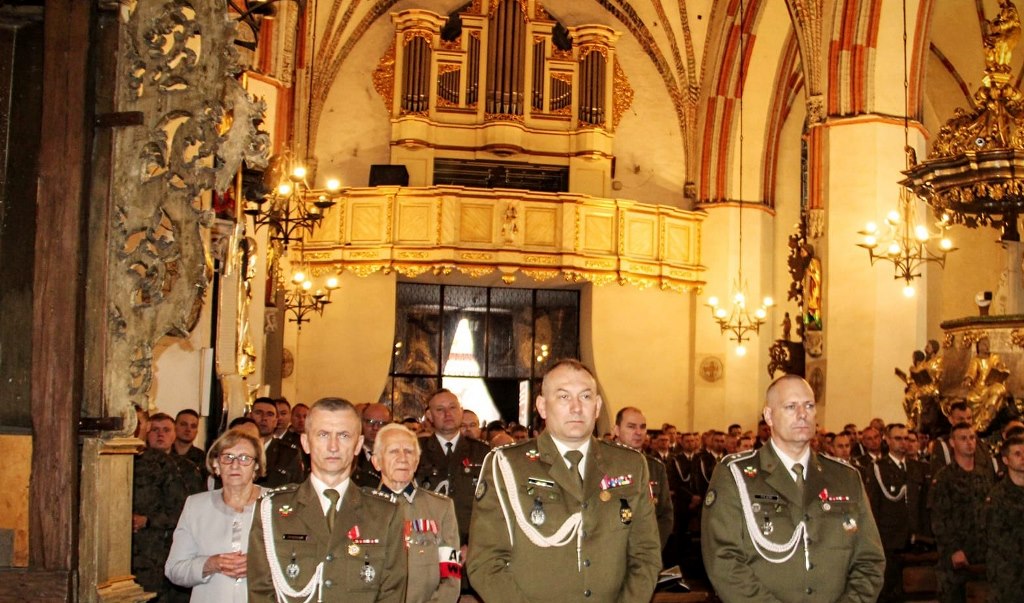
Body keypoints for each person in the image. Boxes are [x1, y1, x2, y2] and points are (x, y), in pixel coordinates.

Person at [468, 359, 661, 601]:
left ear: (597, 407)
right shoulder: (507, 465)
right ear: (542, 406)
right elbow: (485, 562)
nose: (576, 407)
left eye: (586, 397)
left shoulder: (629, 464)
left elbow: (645, 554)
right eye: (563, 397)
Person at [701, 374, 884, 601]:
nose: (802, 414)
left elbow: (869, 559)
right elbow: (724, 559)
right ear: (769, 416)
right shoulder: (736, 475)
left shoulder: (845, 477)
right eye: (790, 406)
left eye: (809, 406)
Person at [247, 397, 406, 602]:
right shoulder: (271, 510)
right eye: (323, 435)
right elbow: (260, 591)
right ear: (306, 442)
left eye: (343, 435)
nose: (333, 446)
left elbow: (392, 592)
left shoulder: (385, 514)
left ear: (358, 444)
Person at [165, 428, 269, 602]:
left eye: (244, 458)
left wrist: (259, 566)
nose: (235, 465)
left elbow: (298, 565)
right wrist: (210, 564)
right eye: (227, 457)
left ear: (256, 466)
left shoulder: (276, 504)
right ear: (216, 465)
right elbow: (174, 570)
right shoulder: (196, 506)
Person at [371, 424, 461, 603]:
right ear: (376, 462)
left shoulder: (441, 508)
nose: (403, 458)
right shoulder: (361, 508)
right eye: (393, 451)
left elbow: (451, 576)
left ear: (417, 461)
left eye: (409, 452)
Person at [928, 422, 996, 603]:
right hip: (955, 558)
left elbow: (990, 513)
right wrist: (954, 550)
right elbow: (939, 519)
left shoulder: (984, 475)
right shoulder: (944, 477)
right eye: (963, 438)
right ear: (952, 442)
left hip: (982, 554)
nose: (969, 442)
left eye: (972, 438)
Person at [865, 423, 929, 602]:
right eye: (898, 438)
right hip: (889, 539)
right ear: (887, 440)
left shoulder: (918, 468)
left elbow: (922, 504)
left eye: (906, 438)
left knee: (916, 591)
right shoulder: (879, 468)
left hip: (914, 541)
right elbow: (874, 505)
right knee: (889, 591)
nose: (903, 443)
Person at [133, 413, 191, 601]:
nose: (159, 434)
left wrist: (148, 521)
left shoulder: (163, 463)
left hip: (154, 553)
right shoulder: (117, 459)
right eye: (155, 430)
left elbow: (181, 510)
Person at [613, 406, 674, 552]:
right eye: (631, 427)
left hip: (646, 550)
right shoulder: (603, 465)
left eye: (642, 427)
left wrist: (651, 547)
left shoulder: (656, 467)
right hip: (611, 551)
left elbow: (665, 514)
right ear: (616, 430)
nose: (638, 432)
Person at [984, 435, 1024, 603]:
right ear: (1006, 460)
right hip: (1008, 574)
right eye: (1017, 454)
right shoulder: (997, 496)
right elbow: (996, 539)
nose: (1023, 458)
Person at [250, 397, 304, 487]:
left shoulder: (289, 454)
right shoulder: (237, 448)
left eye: (270, 414)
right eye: (258, 413)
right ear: (250, 416)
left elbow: (297, 488)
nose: (264, 418)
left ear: (276, 421)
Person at [352, 403, 392, 487]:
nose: (375, 427)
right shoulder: (351, 456)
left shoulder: (396, 456)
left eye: (381, 423)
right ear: (361, 423)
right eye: (370, 422)